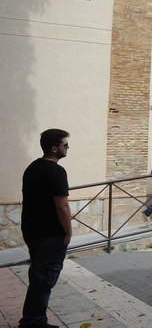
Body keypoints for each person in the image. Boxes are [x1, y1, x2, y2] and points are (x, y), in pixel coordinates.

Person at [20, 129, 73, 328]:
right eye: (65, 145)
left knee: (38, 277)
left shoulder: (32, 167)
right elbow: (62, 205)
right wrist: (68, 231)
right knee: (44, 280)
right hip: (51, 234)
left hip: (32, 231)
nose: (68, 148)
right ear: (54, 148)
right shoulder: (57, 171)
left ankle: (36, 319)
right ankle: (32, 322)